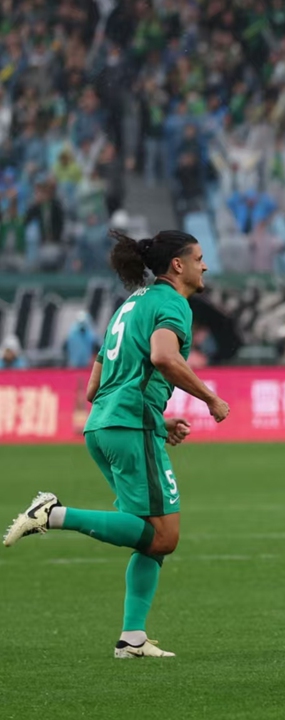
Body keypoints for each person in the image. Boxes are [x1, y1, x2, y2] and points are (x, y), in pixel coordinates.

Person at [3, 229, 230, 658]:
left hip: (103, 425)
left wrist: (157, 420)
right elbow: (164, 357)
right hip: (128, 428)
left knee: (151, 537)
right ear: (177, 265)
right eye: (199, 258)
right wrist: (210, 397)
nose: (205, 266)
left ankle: (133, 639)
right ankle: (53, 514)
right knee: (165, 536)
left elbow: (95, 386)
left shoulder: (130, 304)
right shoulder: (172, 304)